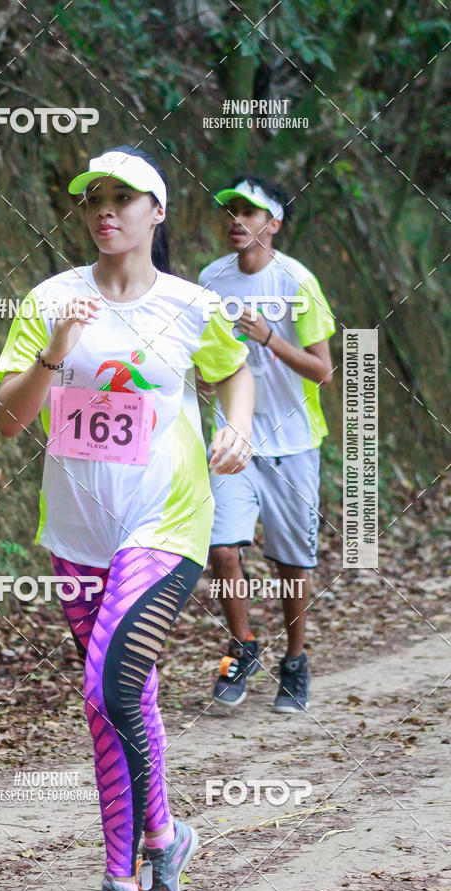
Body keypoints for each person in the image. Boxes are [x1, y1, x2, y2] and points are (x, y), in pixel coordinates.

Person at [0, 146, 255, 891]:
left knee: (107, 685)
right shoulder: (52, 298)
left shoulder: (189, 305)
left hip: (166, 519)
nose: (105, 208)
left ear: (158, 212)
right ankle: (165, 842)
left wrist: (235, 427)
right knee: (119, 700)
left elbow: (232, 369)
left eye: (125, 196)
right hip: (79, 531)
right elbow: (9, 423)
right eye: (94, 197)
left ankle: (118, 879)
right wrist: (55, 353)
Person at [197, 174, 335, 714]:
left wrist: (271, 339)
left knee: (290, 564)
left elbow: (322, 370)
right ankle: (243, 646)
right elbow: (205, 353)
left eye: (249, 213)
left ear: (272, 225)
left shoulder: (297, 282)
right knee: (221, 549)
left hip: (294, 442)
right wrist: (206, 378)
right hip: (233, 436)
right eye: (230, 210)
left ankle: (295, 662)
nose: (236, 219)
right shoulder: (211, 278)